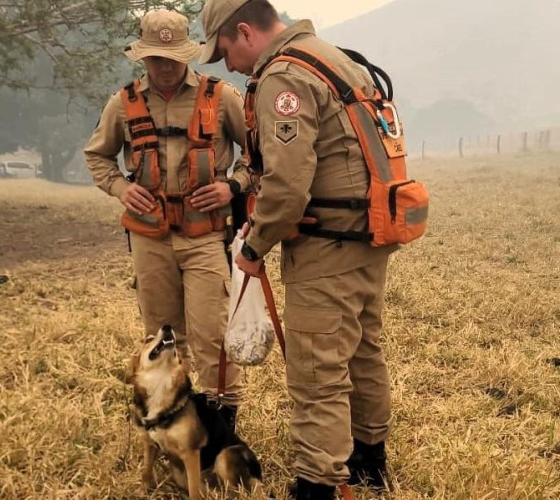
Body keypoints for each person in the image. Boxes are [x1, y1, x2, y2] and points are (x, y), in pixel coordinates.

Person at [199, 0, 397, 497]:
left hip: (327, 246)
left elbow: (287, 188)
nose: (227, 65)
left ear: (244, 31)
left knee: (316, 370)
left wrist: (254, 245)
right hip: (368, 235)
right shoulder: (333, 57)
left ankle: (319, 481)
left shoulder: (284, 77)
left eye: (223, 50)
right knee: (361, 352)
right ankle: (369, 460)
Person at [84, 9, 252, 429]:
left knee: (213, 334)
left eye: (172, 57)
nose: (163, 67)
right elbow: (97, 156)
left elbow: (259, 153)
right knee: (161, 337)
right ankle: (167, 421)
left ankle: (219, 425)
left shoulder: (221, 96)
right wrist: (123, 189)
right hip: (150, 238)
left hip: (205, 235)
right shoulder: (122, 104)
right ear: (143, 58)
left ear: (187, 55)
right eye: (155, 58)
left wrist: (231, 187)